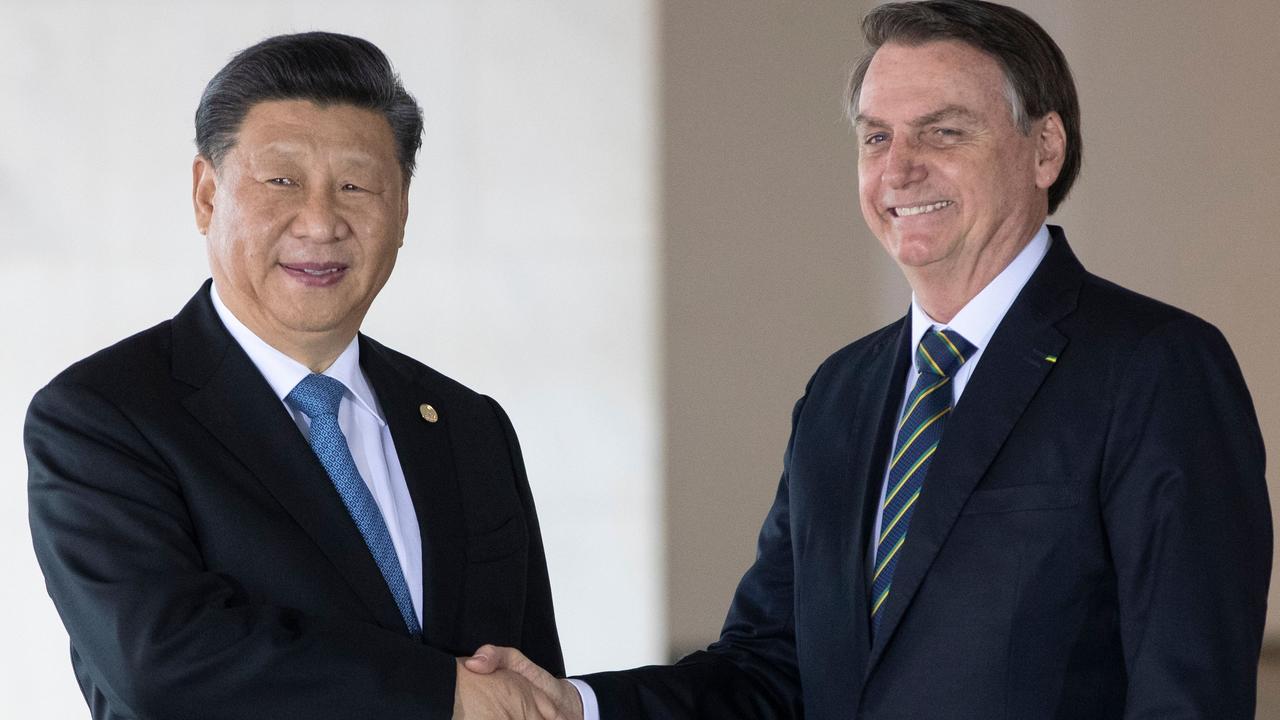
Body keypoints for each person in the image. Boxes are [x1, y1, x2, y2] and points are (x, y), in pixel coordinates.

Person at [466, 1, 1272, 718]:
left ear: (1045, 149)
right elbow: (768, 670)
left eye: (944, 131)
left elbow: (1188, 691)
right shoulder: (840, 393)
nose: (899, 167)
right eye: (877, 136)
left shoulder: (1157, 368)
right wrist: (579, 705)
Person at [27, 32, 567, 719]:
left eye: (356, 185)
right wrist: (441, 693)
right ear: (205, 195)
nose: (320, 222)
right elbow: (159, 661)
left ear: (401, 209)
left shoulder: (468, 425)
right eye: (281, 180)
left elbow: (532, 683)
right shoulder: (103, 415)